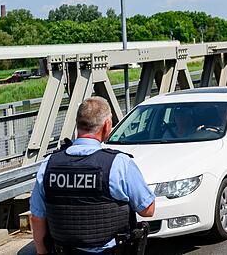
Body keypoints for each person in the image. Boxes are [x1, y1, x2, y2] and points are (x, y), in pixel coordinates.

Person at [29, 97, 156, 254]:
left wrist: (41, 251)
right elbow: (147, 210)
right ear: (107, 125)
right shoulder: (119, 163)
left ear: (77, 125)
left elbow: (37, 216)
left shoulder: (49, 164)